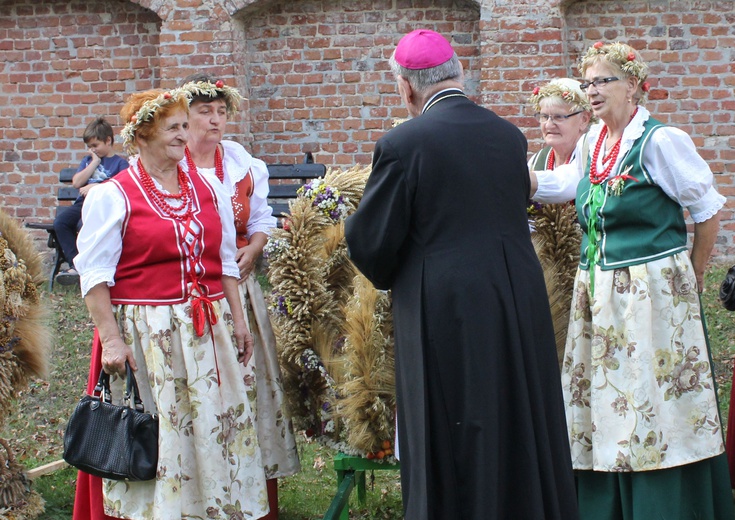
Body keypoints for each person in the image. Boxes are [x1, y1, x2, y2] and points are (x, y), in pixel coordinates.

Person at [344, 29, 579, 520]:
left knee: (449, 422)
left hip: (445, 307)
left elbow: (373, 241)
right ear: (458, 75)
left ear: (406, 88)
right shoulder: (508, 135)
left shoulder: (403, 143)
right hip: (517, 295)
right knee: (517, 411)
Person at [534, 41, 733, 519]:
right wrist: (506, 176)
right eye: (588, 83)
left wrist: (694, 273)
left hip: (652, 292)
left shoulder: (660, 141)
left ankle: (664, 506)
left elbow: (706, 212)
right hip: (599, 291)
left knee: (652, 396)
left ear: (634, 86)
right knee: (605, 397)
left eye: (603, 81)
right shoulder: (592, 141)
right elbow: (565, 186)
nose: (592, 91)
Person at [72, 87, 269, 519]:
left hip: (207, 330)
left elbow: (223, 260)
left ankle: (215, 509)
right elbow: (93, 276)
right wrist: (110, 340)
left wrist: (238, 319)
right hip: (149, 336)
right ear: (141, 137)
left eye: (185, 126)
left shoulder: (207, 186)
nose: (184, 136)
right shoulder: (114, 195)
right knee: (160, 436)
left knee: (214, 429)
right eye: (172, 128)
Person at [181, 74, 301, 520]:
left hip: (242, 295)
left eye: (221, 112)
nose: (215, 121)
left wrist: (254, 247)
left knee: (250, 394)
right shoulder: (171, 164)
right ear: (184, 118)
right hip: (194, 297)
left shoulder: (240, 161)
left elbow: (263, 216)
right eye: (204, 112)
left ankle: (254, 500)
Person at [53, 117, 128, 286]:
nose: (92, 150)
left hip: (102, 208)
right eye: (89, 147)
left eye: (95, 146)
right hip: (82, 204)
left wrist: (95, 187)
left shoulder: (120, 164)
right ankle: (76, 264)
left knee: (83, 226)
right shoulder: (88, 161)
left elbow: (123, 186)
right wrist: (94, 162)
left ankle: (93, 268)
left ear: (108, 140)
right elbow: (77, 183)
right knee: (61, 223)